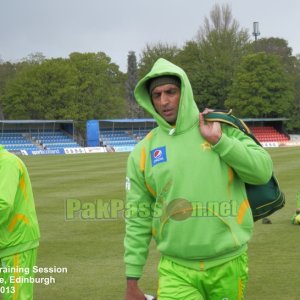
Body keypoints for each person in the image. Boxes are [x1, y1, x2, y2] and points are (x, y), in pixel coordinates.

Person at [124, 58, 273, 300]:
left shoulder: (220, 126)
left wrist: (220, 142)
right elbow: (137, 217)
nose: (164, 101)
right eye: (157, 95)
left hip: (227, 264)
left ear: (185, 90)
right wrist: (132, 279)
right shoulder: (143, 151)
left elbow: (262, 171)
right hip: (175, 269)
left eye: (171, 92)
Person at [0, 144, 40, 299]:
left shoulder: (7, 162)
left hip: (16, 242)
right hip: (6, 241)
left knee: (15, 296)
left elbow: (3, 204)